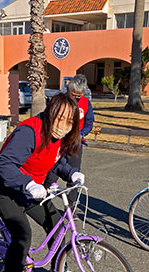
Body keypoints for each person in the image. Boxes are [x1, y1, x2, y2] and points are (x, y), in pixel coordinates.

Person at [0, 93, 85, 272]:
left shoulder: (58, 138)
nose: (63, 126)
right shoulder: (29, 132)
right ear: (50, 113)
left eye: (69, 121)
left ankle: (56, 269)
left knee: (55, 219)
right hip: (5, 188)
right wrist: (28, 184)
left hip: (30, 189)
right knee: (22, 235)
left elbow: (56, 161)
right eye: (59, 118)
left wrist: (71, 173)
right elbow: (4, 164)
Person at [44, 74, 94, 206]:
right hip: (58, 141)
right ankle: (45, 200)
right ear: (68, 90)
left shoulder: (86, 103)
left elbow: (89, 122)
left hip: (75, 144)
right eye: (73, 95)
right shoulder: (59, 100)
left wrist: (81, 134)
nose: (76, 98)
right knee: (52, 173)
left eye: (79, 96)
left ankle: (71, 207)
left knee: (74, 176)